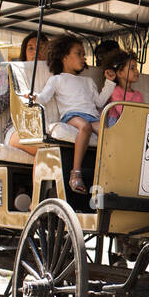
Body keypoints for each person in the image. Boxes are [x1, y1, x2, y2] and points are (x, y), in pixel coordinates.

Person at [34, 36, 113, 193]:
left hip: (92, 116)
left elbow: (99, 102)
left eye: (84, 54)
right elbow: (44, 97)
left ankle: (109, 175)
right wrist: (34, 97)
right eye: (79, 53)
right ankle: (75, 173)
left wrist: (109, 82)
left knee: (110, 132)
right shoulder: (57, 79)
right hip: (72, 116)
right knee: (84, 128)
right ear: (64, 57)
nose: (83, 58)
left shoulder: (88, 81)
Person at [101, 48, 143, 126]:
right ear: (120, 73)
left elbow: (141, 113)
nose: (136, 71)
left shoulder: (138, 95)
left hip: (134, 124)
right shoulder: (115, 92)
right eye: (132, 68)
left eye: (136, 68)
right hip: (117, 125)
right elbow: (122, 112)